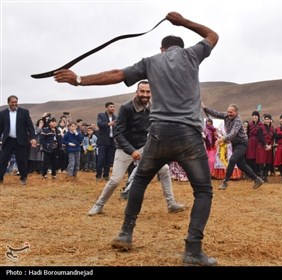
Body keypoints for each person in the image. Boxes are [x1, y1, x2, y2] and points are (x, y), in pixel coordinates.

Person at [54, 12, 219, 266]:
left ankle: (125, 232)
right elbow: (212, 36)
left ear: (162, 49)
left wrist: (78, 80)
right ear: (180, 47)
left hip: (158, 133)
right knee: (204, 191)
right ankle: (193, 250)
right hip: (188, 135)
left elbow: (118, 74)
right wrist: (184, 21)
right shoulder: (192, 55)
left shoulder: (152, 61)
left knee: (140, 180)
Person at [88, 80, 186, 216]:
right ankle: (98, 205)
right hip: (124, 148)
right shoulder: (126, 108)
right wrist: (131, 150)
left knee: (164, 169)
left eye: (148, 92)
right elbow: (118, 133)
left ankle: (171, 203)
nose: (145, 94)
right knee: (115, 180)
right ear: (137, 92)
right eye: (142, 91)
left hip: (144, 146)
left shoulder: (153, 107)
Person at [203, 103, 264, 190]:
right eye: (228, 112)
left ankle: (225, 182)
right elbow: (215, 113)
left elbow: (233, 133)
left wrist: (222, 139)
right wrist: (205, 108)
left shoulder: (238, 121)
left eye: (231, 112)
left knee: (232, 160)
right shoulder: (226, 116)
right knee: (241, 164)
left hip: (242, 143)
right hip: (234, 144)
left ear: (236, 112)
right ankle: (257, 179)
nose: (229, 114)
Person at [0, 95, 37, 185]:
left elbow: (30, 126)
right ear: (8, 103)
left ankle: (23, 177)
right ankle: (0, 177)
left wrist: (33, 137)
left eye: (15, 102)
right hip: (8, 140)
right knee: (3, 159)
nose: (14, 104)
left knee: (22, 160)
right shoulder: (2, 113)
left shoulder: (24, 112)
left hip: (21, 140)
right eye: (12, 102)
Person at [96, 102, 116, 181]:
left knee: (109, 159)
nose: (112, 108)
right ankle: (98, 175)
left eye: (114, 107)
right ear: (106, 108)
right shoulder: (101, 115)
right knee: (101, 159)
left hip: (112, 141)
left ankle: (106, 175)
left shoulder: (116, 117)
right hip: (103, 141)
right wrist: (108, 124)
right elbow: (99, 124)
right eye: (111, 107)